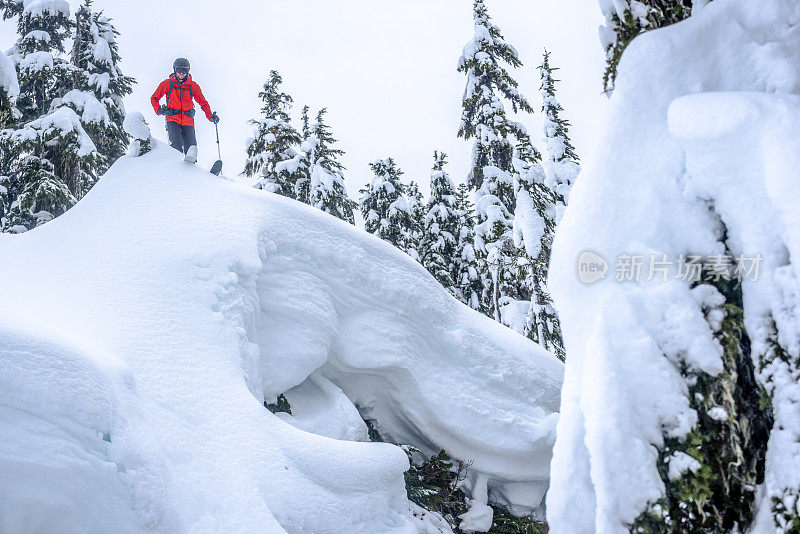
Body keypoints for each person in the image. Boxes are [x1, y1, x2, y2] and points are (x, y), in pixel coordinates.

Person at [150, 57, 219, 162]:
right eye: (179, 70)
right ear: (174, 70)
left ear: (188, 70)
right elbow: (154, 98)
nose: (181, 73)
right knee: (176, 145)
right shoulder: (167, 84)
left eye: (184, 70)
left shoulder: (193, 86)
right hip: (172, 119)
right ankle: (175, 169)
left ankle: (192, 170)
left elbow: (203, 103)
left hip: (188, 120)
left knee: (191, 148)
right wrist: (159, 110)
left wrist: (210, 116)